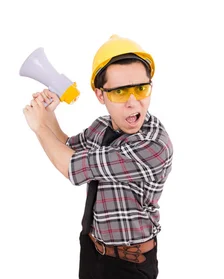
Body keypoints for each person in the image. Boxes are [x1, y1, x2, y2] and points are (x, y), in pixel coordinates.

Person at [22, 34, 173, 279]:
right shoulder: (101, 126)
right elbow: (66, 147)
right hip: (93, 251)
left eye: (141, 88)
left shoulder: (153, 145)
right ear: (100, 95)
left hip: (130, 265)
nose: (134, 102)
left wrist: (39, 127)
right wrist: (48, 116)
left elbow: (72, 168)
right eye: (120, 92)